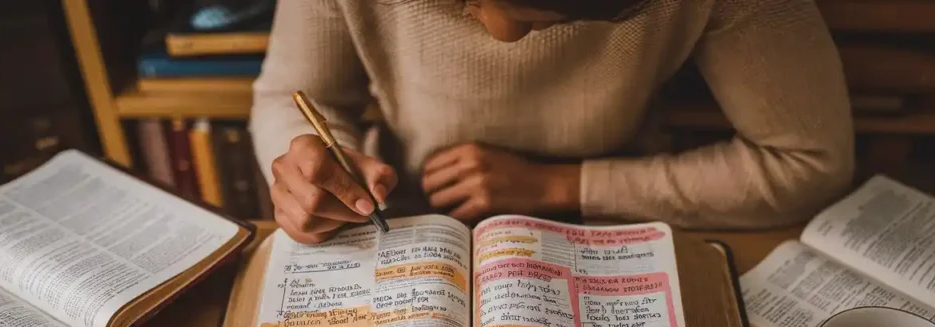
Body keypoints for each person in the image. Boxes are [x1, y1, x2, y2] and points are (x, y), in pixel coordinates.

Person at [251, 0, 855, 245]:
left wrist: (558, 185)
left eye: (548, 17)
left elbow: (810, 161)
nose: (501, 36)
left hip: (620, 228)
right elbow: (294, 94)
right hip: (406, 220)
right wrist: (304, 159)